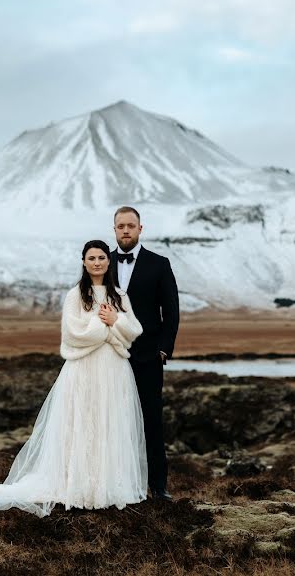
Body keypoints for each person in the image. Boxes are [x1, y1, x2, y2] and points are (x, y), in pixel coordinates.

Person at [0, 240, 147, 517]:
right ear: (83, 262)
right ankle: (77, 484)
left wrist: (115, 319)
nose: (97, 262)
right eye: (91, 258)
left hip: (113, 369)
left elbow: (134, 330)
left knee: (108, 422)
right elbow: (74, 334)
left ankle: (105, 485)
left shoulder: (119, 295)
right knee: (80, 422)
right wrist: (103, 325)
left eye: (102, 257)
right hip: (83, 368)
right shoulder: (75, 296)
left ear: (109, 260)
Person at [111, 206, 179, 501]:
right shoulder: (101, 263)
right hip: (109, 355)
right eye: (120, 226)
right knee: (111, 420)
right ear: (114, 230)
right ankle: (115, 483)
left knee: (151, 420)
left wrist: (164, 349)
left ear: (140, 229)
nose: (125, 230)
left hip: (148, 355)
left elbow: (172, 310)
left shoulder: (159, 264)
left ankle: (159, 486)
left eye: (130, 225)